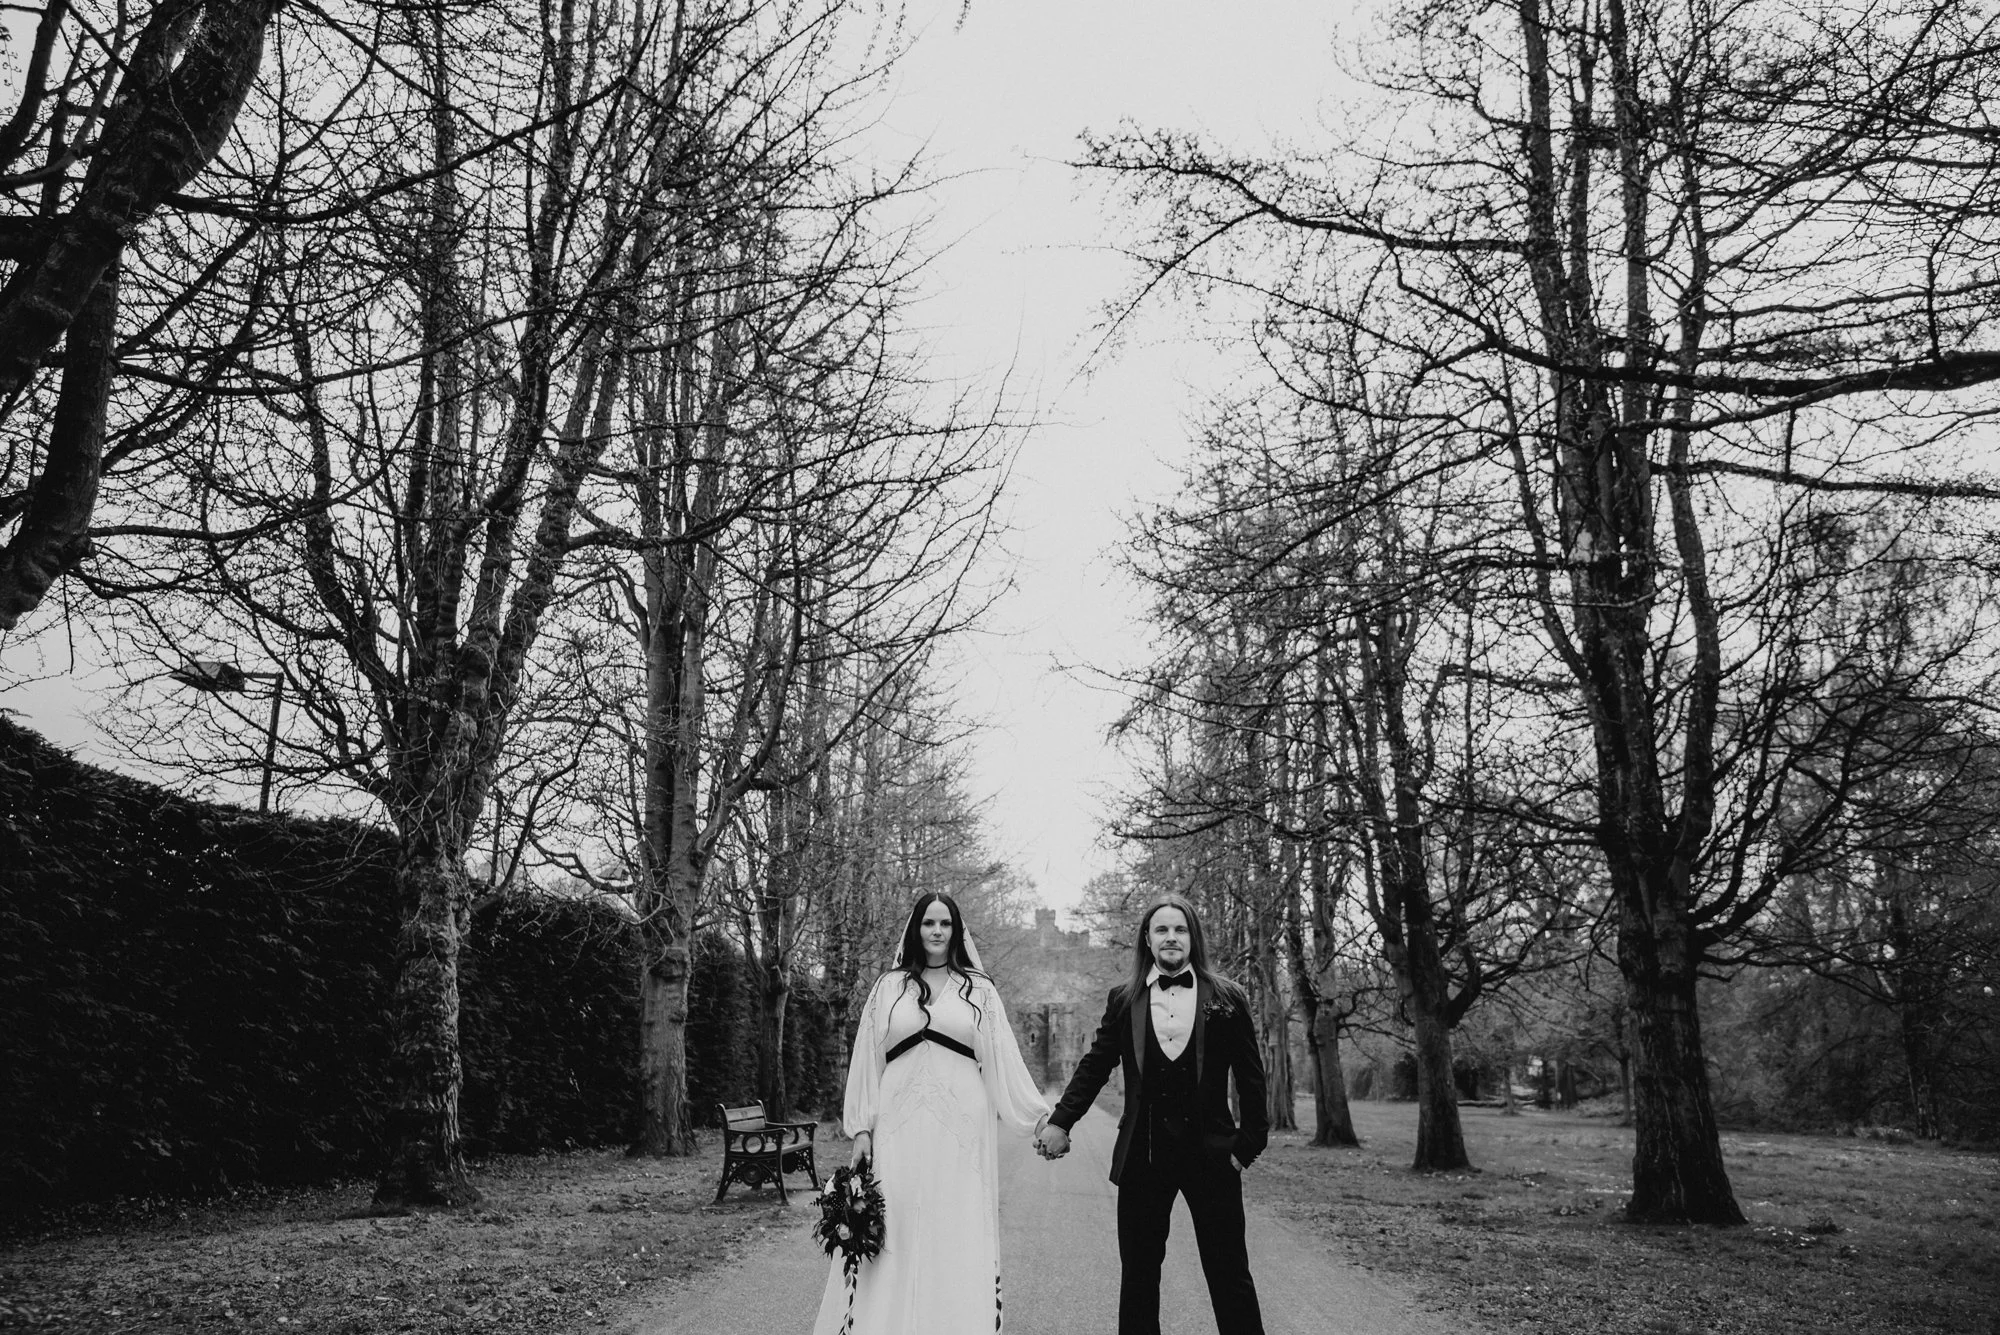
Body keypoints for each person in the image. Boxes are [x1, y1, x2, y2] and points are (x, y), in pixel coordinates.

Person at [811, 892, 1050, 1335]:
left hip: (961, 1125)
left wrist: (1038, 1118)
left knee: (953, 1222)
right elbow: (867, 1059)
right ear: (915, 929)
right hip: (898, 1122)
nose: (937, 931)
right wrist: (861, 1128)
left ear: (956, 931)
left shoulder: (979, 989)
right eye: (928, 923)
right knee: (895, 1221)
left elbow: (1004, 1061)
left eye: (945, 924)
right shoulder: (888, 987)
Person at [1034, 893, 1270, 1335]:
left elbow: (1253, 1080)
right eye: (1161, 929)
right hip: (1144, 1155)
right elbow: (1096, 1065)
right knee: (1140, 1280)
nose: (1171, 937)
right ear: (1147, 938)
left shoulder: (1228, 997)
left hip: (1213, 1156)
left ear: (1192, 937)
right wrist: (1061, 1121)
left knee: (1230, 1277)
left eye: (1180, 929)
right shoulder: (1124, 999)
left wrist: (1247, 1146)